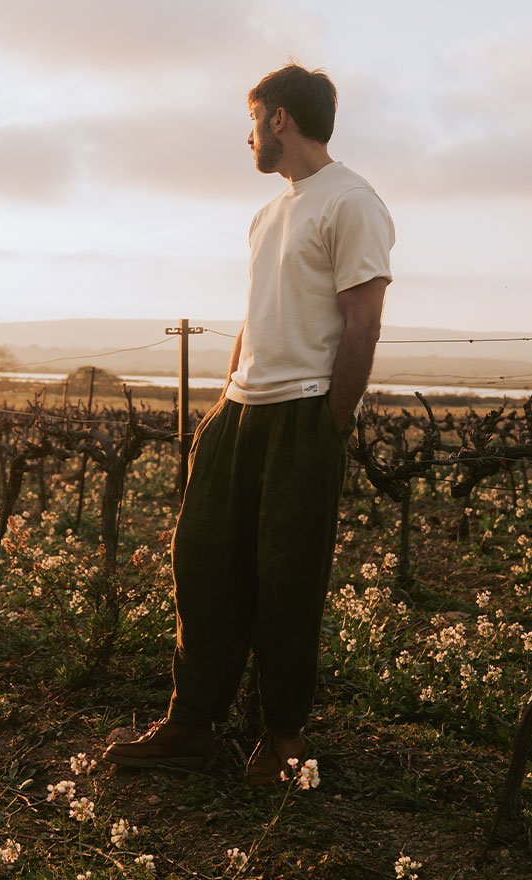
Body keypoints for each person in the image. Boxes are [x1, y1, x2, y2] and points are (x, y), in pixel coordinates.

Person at [103, 62, 393, 786]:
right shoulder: (270, 212)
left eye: (253, 119)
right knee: (202, 566)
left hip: (303, 415)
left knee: (287, 581)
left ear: (281, 121)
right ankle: (191, 725)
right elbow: (254, 314)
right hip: (239, 412)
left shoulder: (352, 202)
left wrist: (329, 422)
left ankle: (282, 738)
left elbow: (363, 325)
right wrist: (222, 405)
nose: (249, 136)